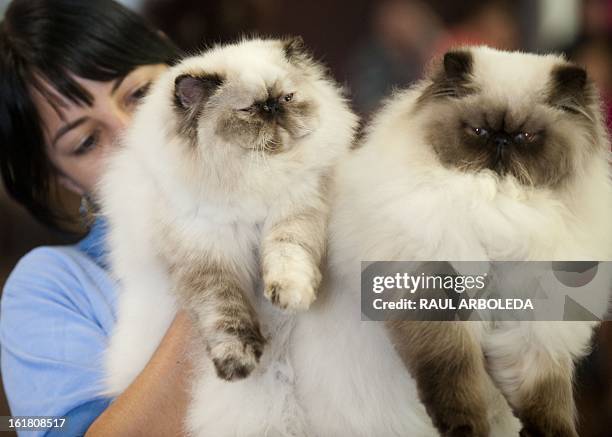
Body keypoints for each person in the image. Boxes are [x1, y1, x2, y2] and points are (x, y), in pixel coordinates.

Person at [0, 1, 195, 435]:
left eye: (141, 94)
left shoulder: (305, 179)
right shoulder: (53, 286)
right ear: (63, 179)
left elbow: (385, 302)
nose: (132, 135)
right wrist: (223, 271)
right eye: (88, 141)